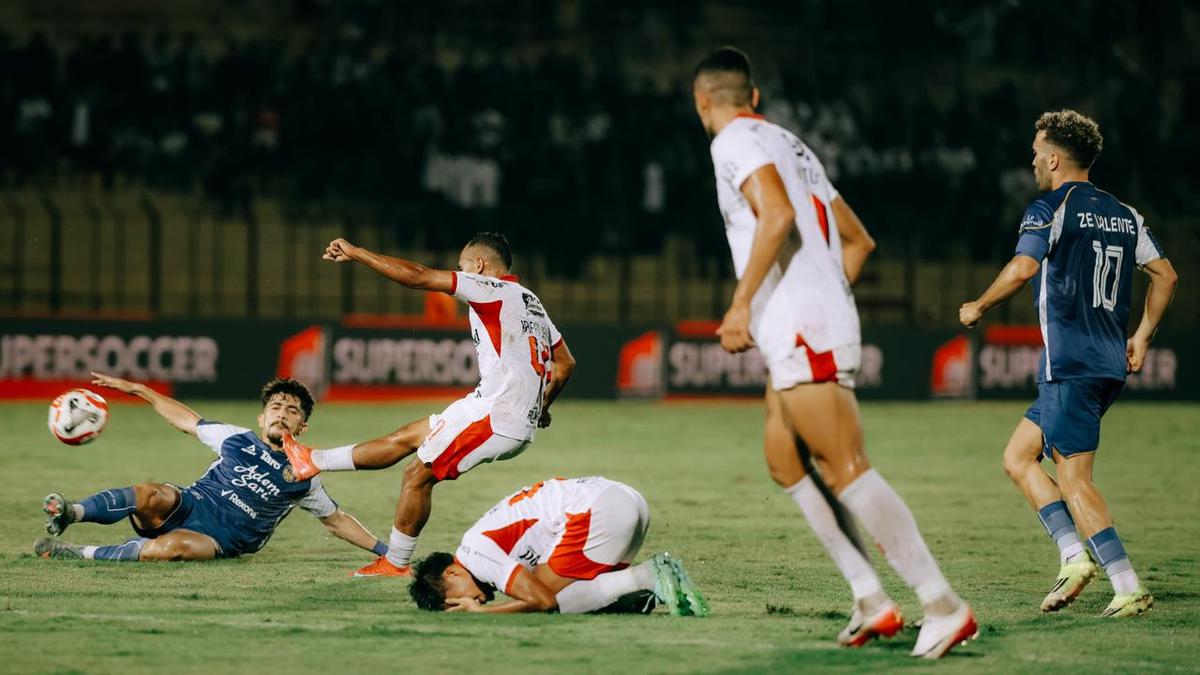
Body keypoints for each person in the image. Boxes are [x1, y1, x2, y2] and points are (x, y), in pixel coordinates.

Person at [691, 47, 974, 658]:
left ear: (703, 102)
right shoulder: (793, 144)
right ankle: (871, 598)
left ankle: (942, 603)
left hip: (800, 325)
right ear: (756, 97)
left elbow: (776, 217)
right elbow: (859, 240)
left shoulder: (732, 141)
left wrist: (747, 305)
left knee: (846, 466)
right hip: (802, 320)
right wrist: (819, 293)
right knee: (783, 459)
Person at [960, 110, 1177, 618]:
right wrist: (1141, 337)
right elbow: (1165, 276)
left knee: (1075, 478)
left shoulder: (1051, 207)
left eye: (1037, 151)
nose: (1034, 159)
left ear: (1055, 157)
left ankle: (1127, 584)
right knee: (1018, 457)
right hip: (1105, 363)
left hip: (1071, 364)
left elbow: (1021, 268)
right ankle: (1074, 557)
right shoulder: (1126, 214)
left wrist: (978, 305)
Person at [282, 232, 576, 578]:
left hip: (496, 416)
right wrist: (541, 408)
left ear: (478, 266)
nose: (460, 271)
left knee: (417, 475)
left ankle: (396, 562)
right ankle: (312, 460)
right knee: (410, 436)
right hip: (496, 409)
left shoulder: (487, 288)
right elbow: (566, 363)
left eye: (462, 265)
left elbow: (418, 277)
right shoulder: (530, 301)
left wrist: (358, 253)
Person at [35, 374, 387, 562]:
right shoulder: (235, 438)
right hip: (191, 504)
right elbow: (186, 420)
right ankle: (72, 512)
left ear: (302, 427)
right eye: (276, 406)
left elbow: (336, 520)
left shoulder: (305, 473)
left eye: (292, 410)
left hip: (221, 539)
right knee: (150, 493)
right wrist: (142, 390)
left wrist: (386, 552)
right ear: (262, 417)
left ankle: (77, 553)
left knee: (176, 548)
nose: (282, 412)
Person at [407, 476, 708, 616]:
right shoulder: (480, 542)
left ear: (452, 574)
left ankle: (647, 577)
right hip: (625, 499)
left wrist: (480, 614)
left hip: (597, 512)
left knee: (546, 600)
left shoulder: (475, 553)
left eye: (454, 601)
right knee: (554, 587)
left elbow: (543, 600)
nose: (471, 602)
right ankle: (639, 593)